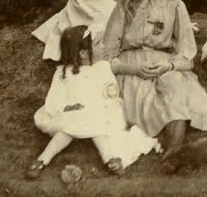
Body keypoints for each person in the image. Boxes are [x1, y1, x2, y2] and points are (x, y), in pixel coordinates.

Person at [102, 0, 207, 174]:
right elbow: (107, 56)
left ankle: (172, 156)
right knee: (146, 99)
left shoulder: (175, 5)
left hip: (165, 64)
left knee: (176, 90)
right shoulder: (125, 6)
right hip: (131, 67)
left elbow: (187, 55)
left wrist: (169, 65)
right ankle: (179, 154)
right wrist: (133, 68)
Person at [25, 25, 159, 179]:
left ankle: (109, 158)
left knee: (96, 124)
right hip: (73, 114)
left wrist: (140, 69)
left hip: (101, 111)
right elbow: (55, 97)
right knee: (67, 128)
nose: (102, 46)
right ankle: (42, 159)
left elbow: (112, 89)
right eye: (97, 44)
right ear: (83, 53)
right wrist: (67, 107)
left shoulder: (102, 67)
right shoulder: (64, 73)